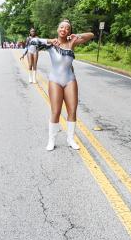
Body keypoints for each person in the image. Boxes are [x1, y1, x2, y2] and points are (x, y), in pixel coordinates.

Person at [27, 20, 95, 151]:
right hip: (55, 81)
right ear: (58, 29)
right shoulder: (52, 44)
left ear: (69, 31)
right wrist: (49, 40)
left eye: (67, 28)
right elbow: (32, 42)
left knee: (72, 111)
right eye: (61, 27)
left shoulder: (72, 42)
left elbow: (91, 35)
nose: (64, 29)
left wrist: (75, 36)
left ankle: (70, 139)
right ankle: (51, 140)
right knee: (56, 111)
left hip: (70, 80)